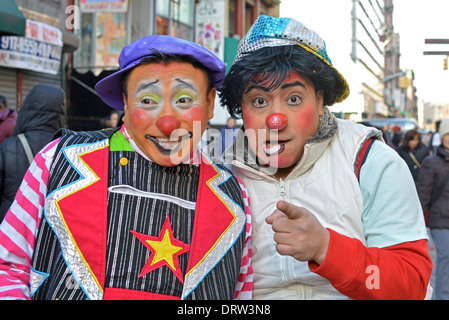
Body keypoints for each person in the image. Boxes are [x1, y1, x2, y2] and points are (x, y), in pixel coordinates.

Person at [0, 35, 252, 300]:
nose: (167, 123)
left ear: (211, 103)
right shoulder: (58, 161)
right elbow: (7, 266)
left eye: (185, 100)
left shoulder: (233, 198)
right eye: (147, 101)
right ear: (125, 102)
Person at [219, 15, 432, 299]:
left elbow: (410, 287)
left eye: (294, 99)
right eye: (259, 101)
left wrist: (326, 248)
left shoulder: (371, 162)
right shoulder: (220, 177)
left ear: (320, 101)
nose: (275, 120)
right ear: (241, 108)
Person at [0, 84, 66, 222]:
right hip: (51, 228)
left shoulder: (9, 146)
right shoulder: (69, 147)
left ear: (27, 108)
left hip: (14, 224)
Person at [416, 119, 449, 300]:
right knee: (446, 257)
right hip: (440, 219)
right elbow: (423, 194)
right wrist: (418, 223)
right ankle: (442, 297)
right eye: (447, 135)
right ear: (441, 137)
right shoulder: (432, 162)